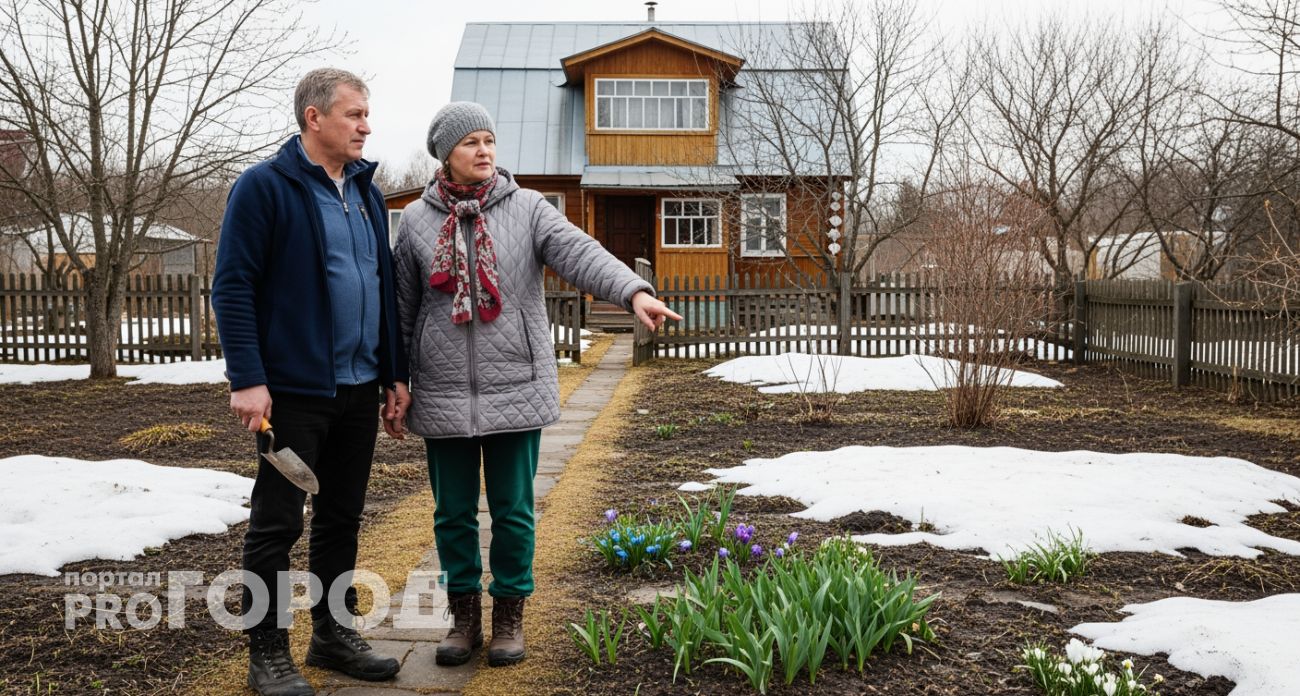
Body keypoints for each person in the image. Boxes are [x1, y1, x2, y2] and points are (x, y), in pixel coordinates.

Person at [390, 101, 681, 668]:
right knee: (451, 513)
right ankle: (464, 617)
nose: (484, 150)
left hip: (515, 383)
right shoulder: (418, 222)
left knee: (513, 510)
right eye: (471, 142)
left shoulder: (527, 208)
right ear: (445, 154)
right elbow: (404, 308)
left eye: (489, 139)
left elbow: (580, 254)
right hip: (442, 388)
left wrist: (633, 292)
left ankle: (508, 616)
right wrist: (396, 381)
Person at [212, 68, 409, 696]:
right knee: (277, 523)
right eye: (354, 114)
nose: (366, 126)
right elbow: (233, 286)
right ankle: (266, 652)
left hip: (358, 387)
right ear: (313, 117)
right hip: (293, 391)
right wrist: (247, 378)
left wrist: (393, 373)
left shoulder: (367, 191)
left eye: (366, 114)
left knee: (342, 516)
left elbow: (382, 288)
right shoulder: (263, 188)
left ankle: (331, 633)